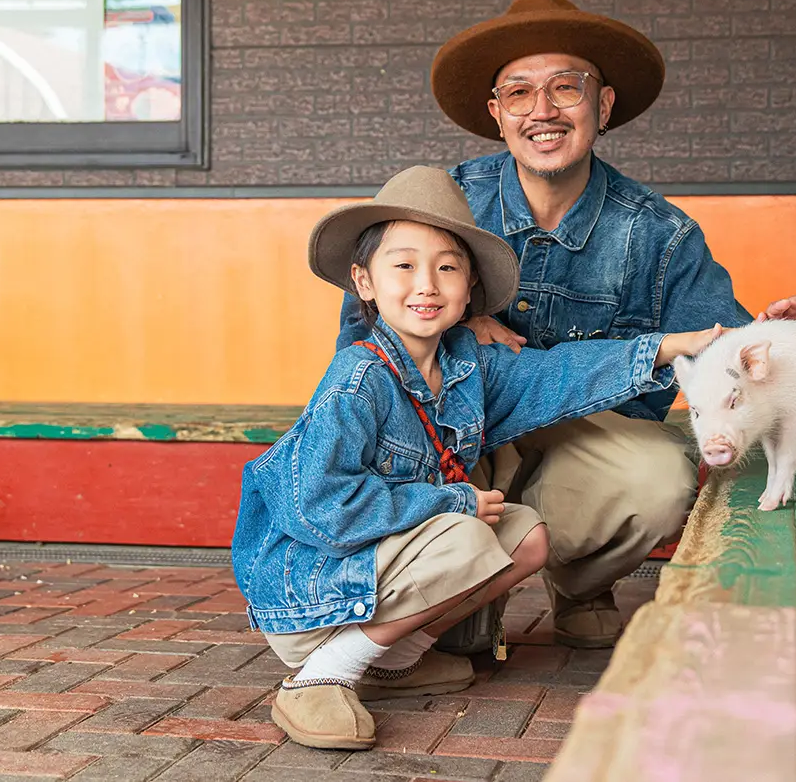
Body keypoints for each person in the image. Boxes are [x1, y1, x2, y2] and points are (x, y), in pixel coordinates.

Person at [337, 0, 796, 651]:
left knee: (660, 480)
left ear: (601, 105)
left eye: (565, 87)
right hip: (458, 435)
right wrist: (455, 328)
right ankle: (469, 585)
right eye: (519, 92)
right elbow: (359, 344)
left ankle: (577, 578)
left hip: (589, 439)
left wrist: (775, 336)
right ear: (496, 113)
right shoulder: (440, 205)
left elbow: (734, 359)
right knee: (458, 644)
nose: (542, 111)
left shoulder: (659, 233)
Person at [232, 164, 722, 750]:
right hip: (318, 591)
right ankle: (320, 675)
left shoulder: (468, 366)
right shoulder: (357, 379)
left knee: (526, 537)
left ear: (469, 292)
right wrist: (453, 500)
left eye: (447, 267)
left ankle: (395, 660)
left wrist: (672, 346)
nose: (427, 285)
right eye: (404, 265)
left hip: (380, 574)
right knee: (467, 532)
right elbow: (319, 507)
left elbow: (562, 372)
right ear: (364, 281)